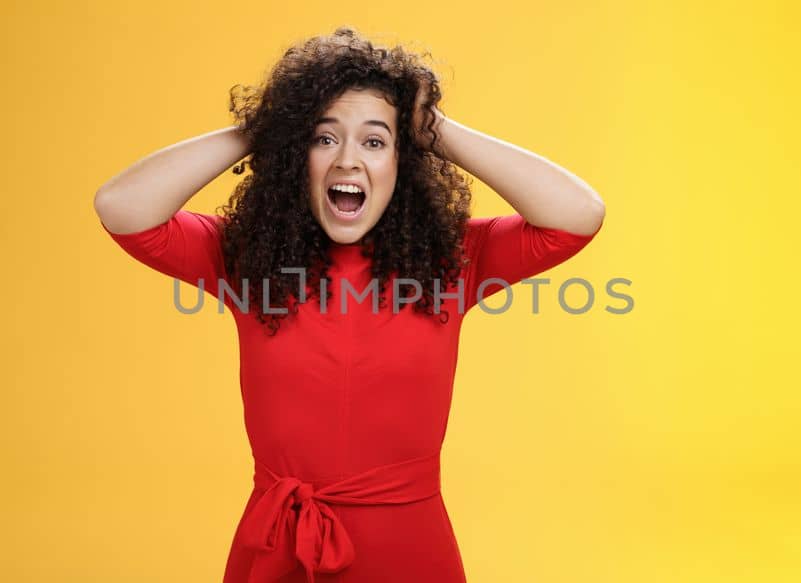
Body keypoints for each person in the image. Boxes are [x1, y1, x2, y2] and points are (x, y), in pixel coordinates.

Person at [94, 27, 604, 583]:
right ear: (297, 157)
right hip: (278, 544)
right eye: (324, 137)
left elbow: (577, 215)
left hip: (408, 547)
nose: (349, 161)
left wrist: (434, 128)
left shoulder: (454, 259)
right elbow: (122, 207)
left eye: (375, 141)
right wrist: (265, 127)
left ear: (403, 162)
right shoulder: (247, 258)